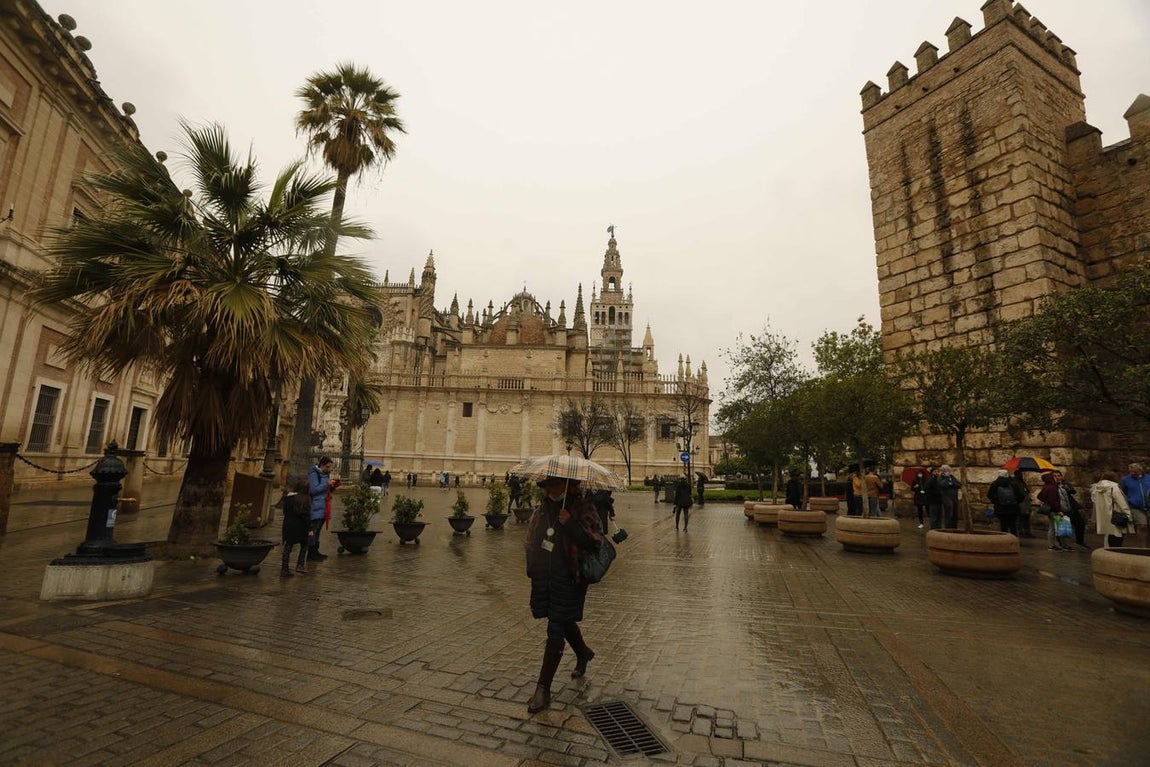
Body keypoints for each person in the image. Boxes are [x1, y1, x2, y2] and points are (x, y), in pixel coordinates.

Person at [523, 475, 601, 714]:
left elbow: (595, 541)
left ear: (566, 485)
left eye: (552, 484)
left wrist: (570, 524)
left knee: (556, 625)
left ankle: (543, 688)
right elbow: (532, 540)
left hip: (570, 575)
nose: (549, 489)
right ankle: (583, 653)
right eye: (546, 486)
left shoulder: (583, 507)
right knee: (561, 618)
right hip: (545, 575)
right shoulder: (542, 509)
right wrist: (531, 564)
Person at [1091, 470, 1134, 548]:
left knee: (1108, 535)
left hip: (1103, 515)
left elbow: (1095, 502)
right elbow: (1121, 502)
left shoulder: (1096, 489)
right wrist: (1128, 515)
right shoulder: (1114, 488)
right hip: (1115, 515)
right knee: (1117, 535)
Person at [307, 457, 338, 561]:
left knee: (318, 530)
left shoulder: (325, 475)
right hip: (316, 506)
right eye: (328, 467)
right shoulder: (314, 474)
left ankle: (316, 551)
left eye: (330, 467)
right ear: (322, 465)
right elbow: (313, 489)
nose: (329, 469)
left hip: (324, 506)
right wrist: (326, 484)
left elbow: (325, 489)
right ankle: (310, 553)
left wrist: (332, 486)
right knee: (313, 530)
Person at [280, 478, 312, 576]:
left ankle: (284, 569)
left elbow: (285, 512)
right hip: (301, 527)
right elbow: (306, 516)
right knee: (304, 545)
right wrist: (310, 529)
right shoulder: (305, 500)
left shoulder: (287, 498)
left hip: (288, 526)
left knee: (288, 548)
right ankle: (300, 565)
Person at [1037, 471, 1071, 551]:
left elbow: (1039, 496)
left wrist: (1046, 501)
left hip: (1050, 510)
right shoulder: (1052, 487)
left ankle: (1059, 545)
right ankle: (1052, 545)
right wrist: (1058, 510)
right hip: (1054, 510)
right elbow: (1054, 501)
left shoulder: (1046, 486)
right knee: (1054, 527)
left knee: (1054, 527)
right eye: (1054, 477)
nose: (1055, 478)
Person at [1119, 463, 1150, 548]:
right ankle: (1143, 547)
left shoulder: (1148, 478)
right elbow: (1122, 492)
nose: (1132, 474)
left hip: (1149, 506)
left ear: (1140, 471)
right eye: (1131, 472)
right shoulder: (1125, 480)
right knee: (1142, 525)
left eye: (1135, 472)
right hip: (1136, 507)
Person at [1054, 471, 1087, 549]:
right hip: (1061, 508)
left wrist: (1067, 488)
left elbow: (1073, 491)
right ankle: (1062, 543)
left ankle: (1079, 541)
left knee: (1080, 523)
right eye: (1055, 476)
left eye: (1059, 475)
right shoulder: (1052, 486)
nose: (1057, 477)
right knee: (1060, 526)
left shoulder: (1065, 484)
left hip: (1071, 507)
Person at [987, 469, 1021, 536]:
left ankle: (1004, 539)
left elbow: (989, 495)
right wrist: (1016, 502)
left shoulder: (995, 484)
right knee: (1013, 526)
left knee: (1003, 525)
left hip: (1001, 508)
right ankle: (1014, 539)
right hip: (1013, 508)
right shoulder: (1013, 484)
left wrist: (996, 502)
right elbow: (1020, 496)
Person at [1013, 470, 1035, 538]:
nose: (1021, 475)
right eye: (1020, 474)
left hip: (1025, 502)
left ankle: (1027, 531)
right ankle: (1021, 532)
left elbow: (1026, 491)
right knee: (1020, 519)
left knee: (1026, 518)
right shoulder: (1014, 482)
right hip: (1020, 503)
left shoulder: (1022, 482)